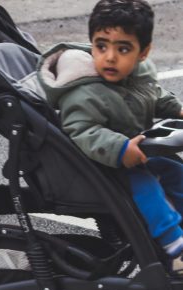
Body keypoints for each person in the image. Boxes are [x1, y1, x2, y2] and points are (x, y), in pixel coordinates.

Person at [38, 0, 183, 271]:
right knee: (147, 188)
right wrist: (119, 147)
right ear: (91, 43)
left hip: (137, 154)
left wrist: (176, 108)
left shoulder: (137, 75)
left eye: (123, 48)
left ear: (143, 53)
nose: (110, 57)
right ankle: (175, 247)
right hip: (102, 166)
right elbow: (82, 131)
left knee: (176, 171)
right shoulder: (83, 92)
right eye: (101, 46)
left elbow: (151, 94)